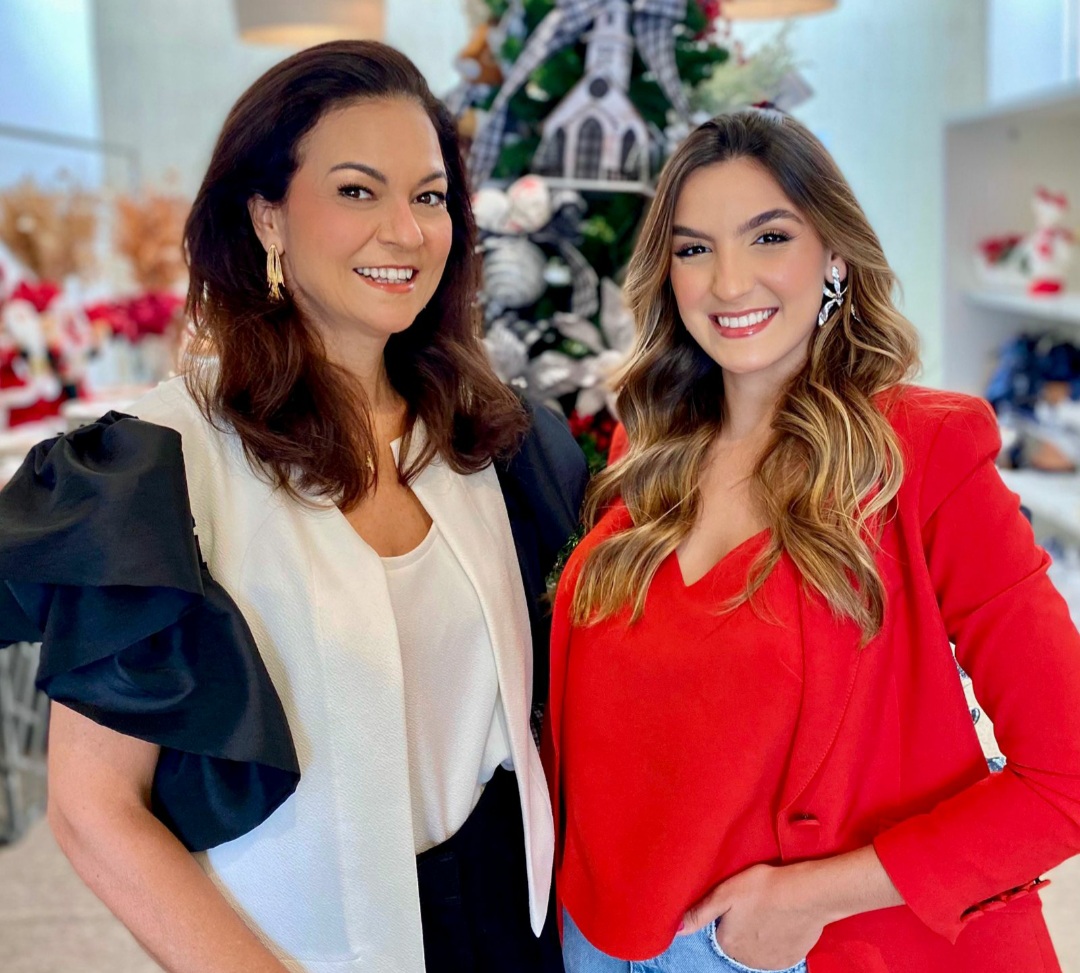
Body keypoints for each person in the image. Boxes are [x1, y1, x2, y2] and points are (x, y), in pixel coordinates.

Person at [0, 41, 585, 973]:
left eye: (430, 196)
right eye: (357, 190)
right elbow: (95, 810)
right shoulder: (161, 465)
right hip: (291, 946)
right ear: (267, 214)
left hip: (510, 925)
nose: (405, 231)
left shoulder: (497, 444)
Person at [543, 108, 1080, 973]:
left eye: (769, 237)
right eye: (694, 248)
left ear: (834, 255)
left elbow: (1066, 776)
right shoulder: (648, 449)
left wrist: (810, 898)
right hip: (598, 939)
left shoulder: (924, 453)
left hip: (793, 948)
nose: (729, 282)